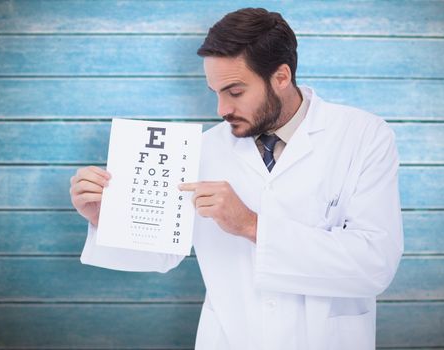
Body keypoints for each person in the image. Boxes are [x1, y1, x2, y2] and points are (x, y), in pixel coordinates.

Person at [69, 7, 403, 350]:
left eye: (235, 92)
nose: (221, 109)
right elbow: (161, 252)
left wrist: (251, 225)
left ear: (281, 77)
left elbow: (375, 263)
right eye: (215, 92)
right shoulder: (201, 149)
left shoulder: (363, 135)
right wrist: (104, 218)